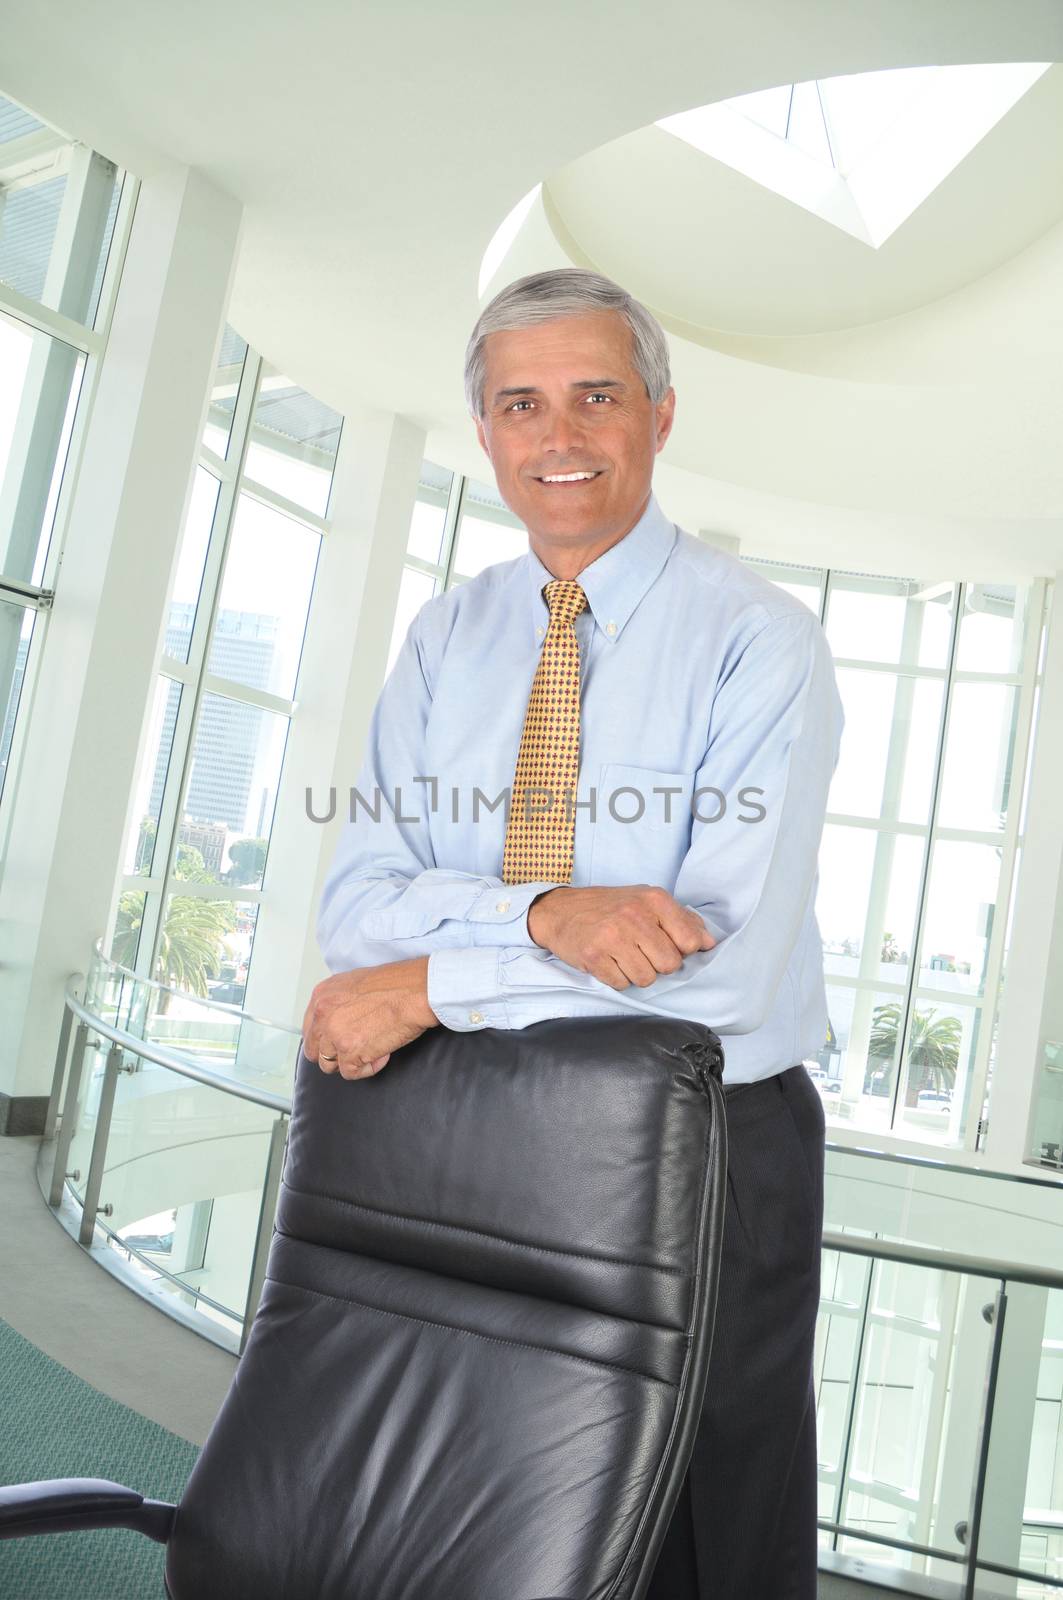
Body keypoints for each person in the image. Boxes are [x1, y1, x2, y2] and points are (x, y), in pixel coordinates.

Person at [301, 266, 845, 1599]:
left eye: (596, 397)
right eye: (520, 405)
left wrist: (435, 978)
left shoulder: (760, 641)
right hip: (462, 1119)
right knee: (484, 1499)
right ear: (485, 434)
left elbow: (713, 978)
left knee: (694, 1525)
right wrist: (547, 914)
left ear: (660, 416)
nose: (559, 437)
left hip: (701, 1138)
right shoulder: (448, 636)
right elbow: (353, 906)